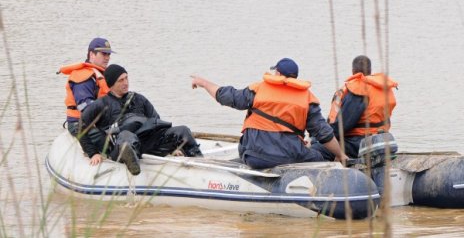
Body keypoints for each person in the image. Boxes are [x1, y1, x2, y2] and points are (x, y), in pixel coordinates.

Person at [191, 58, 348, 169]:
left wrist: (204, 83)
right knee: (322, 155)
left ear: (278, 74)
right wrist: (340, 155)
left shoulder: (258, 90)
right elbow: (324, 134)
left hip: (254, 156)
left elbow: (225, 96)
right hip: (289, 157)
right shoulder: (307, 99)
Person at [79, 64, 203, 175]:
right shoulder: (101, 104)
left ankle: (200, 164)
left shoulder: (139, 99)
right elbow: (81, 127)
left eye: (126, 78)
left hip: (147, 144)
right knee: (127, 136)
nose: (126, 83)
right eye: (121, 80)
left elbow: (157, 122)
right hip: (120, 146)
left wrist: (174, 147)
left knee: (183, 130)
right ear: (111, 84)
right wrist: (93, 152)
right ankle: (133, 165)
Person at [321, 55, 398, 160]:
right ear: (370, 71)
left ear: (353, 71)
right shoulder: (383, 87)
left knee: (319, 149)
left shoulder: (358, 89)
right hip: (382, 138)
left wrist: (323, 138)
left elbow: (342, 126)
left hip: (358, 142)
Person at [58, 37, 114, 136]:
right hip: (79, 124)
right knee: (104, 141)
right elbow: (85, 107)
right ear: (92, 55)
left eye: (108, 54)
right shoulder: (82, 76)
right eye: (104, 54)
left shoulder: (99, 74)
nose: (107, 57)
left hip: (96, 121)